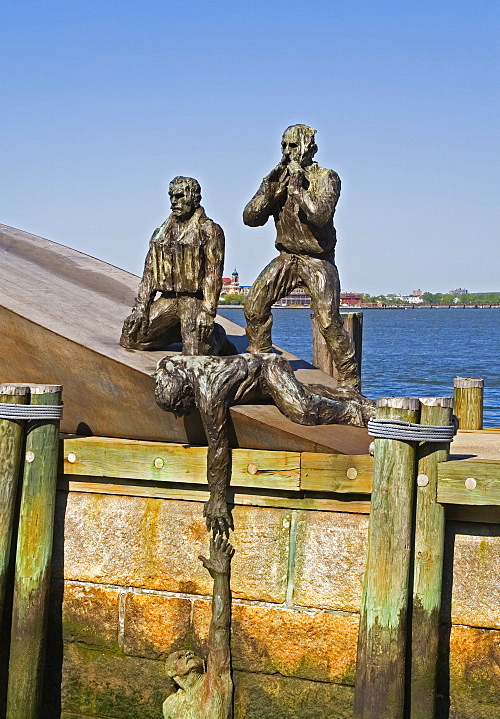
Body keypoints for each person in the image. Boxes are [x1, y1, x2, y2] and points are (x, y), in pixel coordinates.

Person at [155, 352, 375, 536]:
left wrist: (217, 498)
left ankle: (356, 411)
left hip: (267, 369)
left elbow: (219, 445)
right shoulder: (170, 366)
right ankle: (343, 393)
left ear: (187, 391)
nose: (179, 414)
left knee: (303, 411)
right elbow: (163, 365)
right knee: (299, 396)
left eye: (180, 406)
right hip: (248, 370)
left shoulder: (208, 392)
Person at [242, 124, 360, 390]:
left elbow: (319, 215)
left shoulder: (327, 177)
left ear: (312, 149)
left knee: (328, 322)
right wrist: (268, 188)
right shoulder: (278, 180)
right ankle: (263, 367)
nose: (287, 151)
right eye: (284, 145)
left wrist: (296, 188)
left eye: (293, 146)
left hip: (318, 260)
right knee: (254, 306)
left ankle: (349, 380)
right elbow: (250, 218)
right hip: (287, 257)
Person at [121, 176, 235, 356]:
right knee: (131, 336)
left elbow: (213, 275)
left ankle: (217, 337)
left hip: (193, 300)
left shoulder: (210, 230)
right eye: (171, 196)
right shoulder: (161, 232)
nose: (174, 201)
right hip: (167, 299)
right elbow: (150, 272)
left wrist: (207, 311)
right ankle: (176, 331)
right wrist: (141, 307)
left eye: (180, 196)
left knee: (196, 351)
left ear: (195, 198)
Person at [163, 534, 234, 719]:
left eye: (189, 653)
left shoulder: (214, 682)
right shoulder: (171, 705)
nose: (189, 653)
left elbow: (219, 630)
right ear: (173, 674)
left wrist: (220, 578)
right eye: (180, 657)